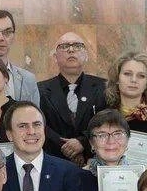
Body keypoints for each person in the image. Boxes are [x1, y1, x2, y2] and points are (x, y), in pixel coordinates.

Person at [38, 33, 108, 164]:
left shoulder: (103, 87)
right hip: (54, 161)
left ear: (86, 55)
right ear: (55, 57)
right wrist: (67, 148)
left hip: (94, 161)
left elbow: (108, 121)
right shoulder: (40, 90)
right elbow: (39, 125)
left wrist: (83, 142)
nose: (71, 50)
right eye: (64, 46)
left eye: (77, 46)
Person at [79, 111, 137, 191]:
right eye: (102, 135)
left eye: (118, 134)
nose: (111, 141)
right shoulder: (77, 180)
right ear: (91, 143)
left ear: (127, 140)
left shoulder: (139, 178)